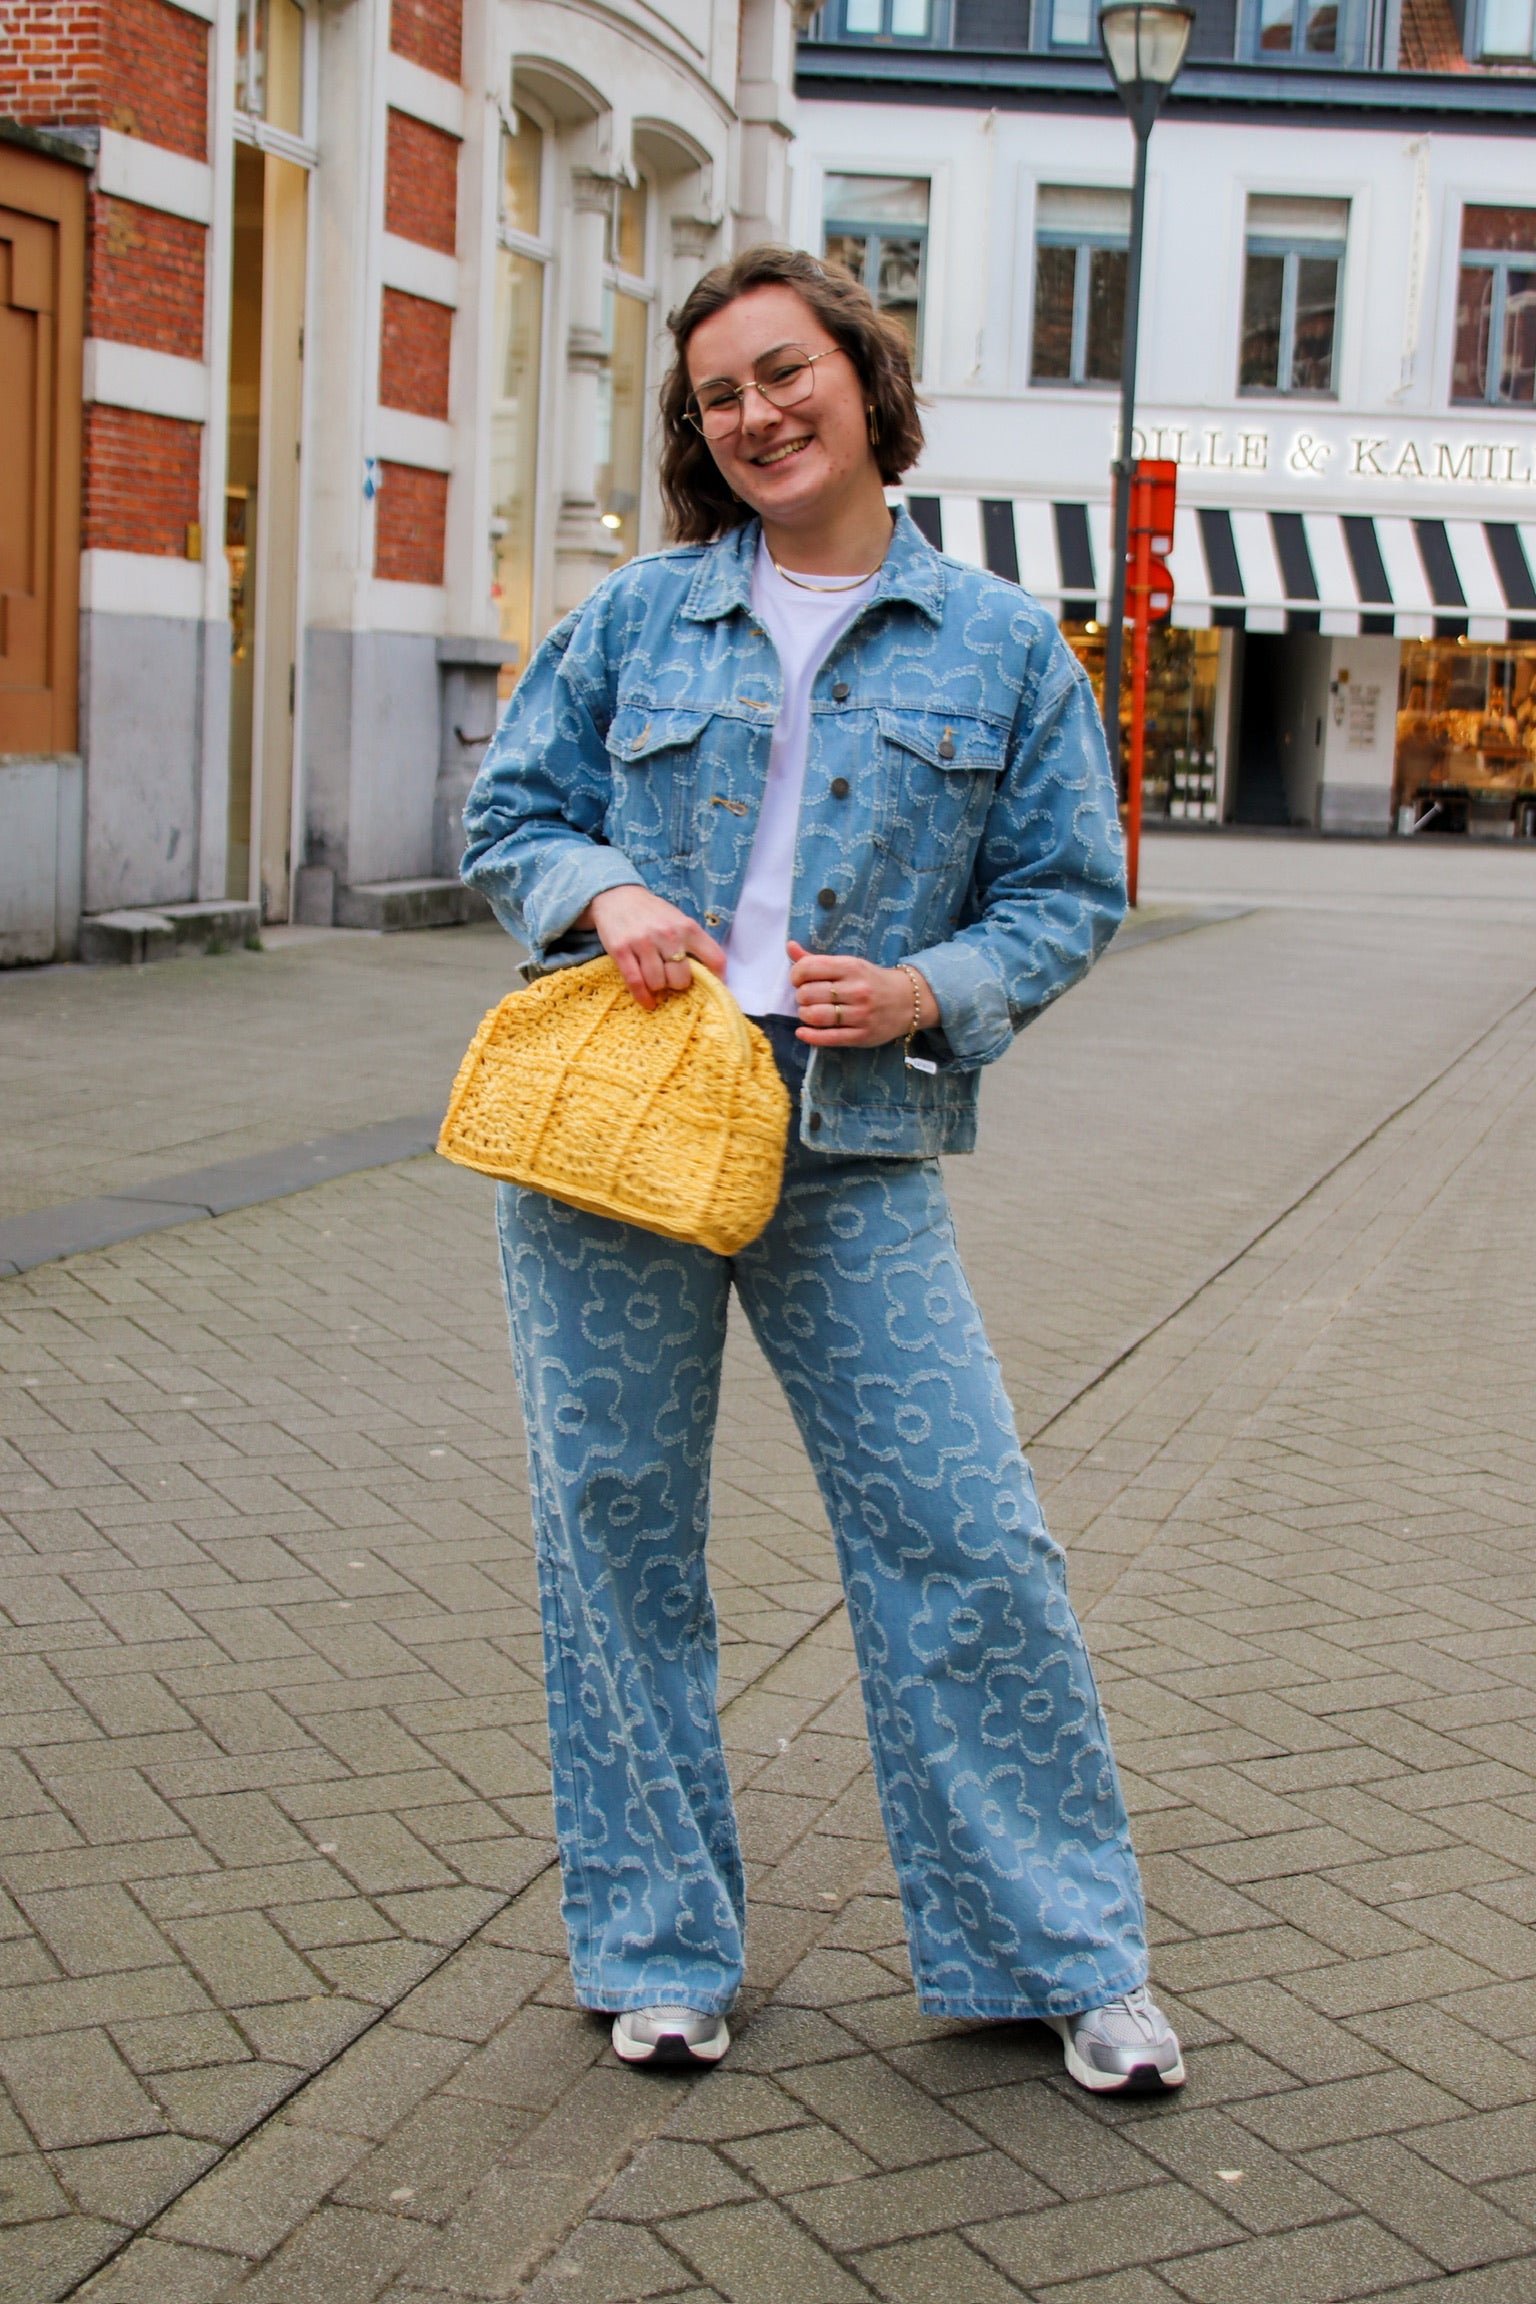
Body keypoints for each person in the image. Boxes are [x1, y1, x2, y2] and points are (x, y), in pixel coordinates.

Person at [461, 245, 1183, 2096]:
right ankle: (657, 1950)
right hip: (626, 1125)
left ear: (863, 379)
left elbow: (1068, 895)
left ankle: (1061, 1955)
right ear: (701, 436)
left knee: (966, 1537)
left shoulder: (1005, 644)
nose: (759, 415)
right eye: (720, 397)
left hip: (853, 1136)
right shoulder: (634, 616)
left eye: (787, 375)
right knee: (616, 1539)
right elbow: (512, 811)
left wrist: (934, 984)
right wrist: (606, 893)